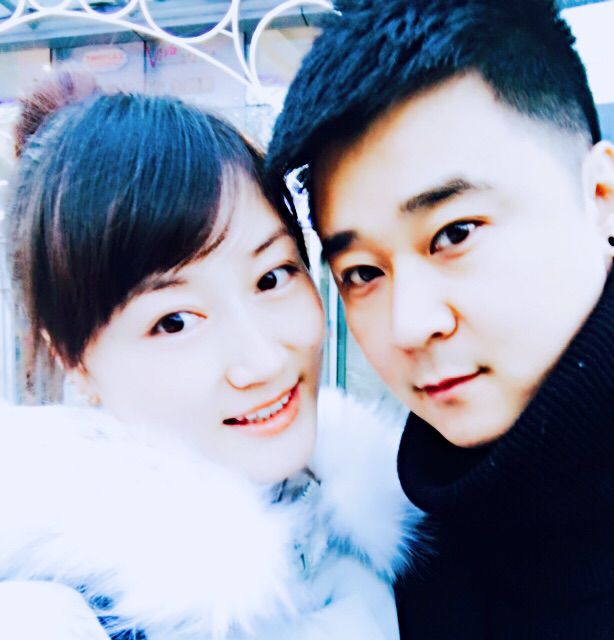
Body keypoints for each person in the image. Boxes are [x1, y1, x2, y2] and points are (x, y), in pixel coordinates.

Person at [0, 69, 419, 639]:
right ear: (74, 363)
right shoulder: (57, 617)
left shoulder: (385, 524)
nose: (264, 361)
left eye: (272, 277)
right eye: (174, 321)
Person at [266, 0, 614, 637]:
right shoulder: (384, 558)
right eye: (362, 273)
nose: (409, 326)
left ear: (602, 197)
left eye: (455, 233)